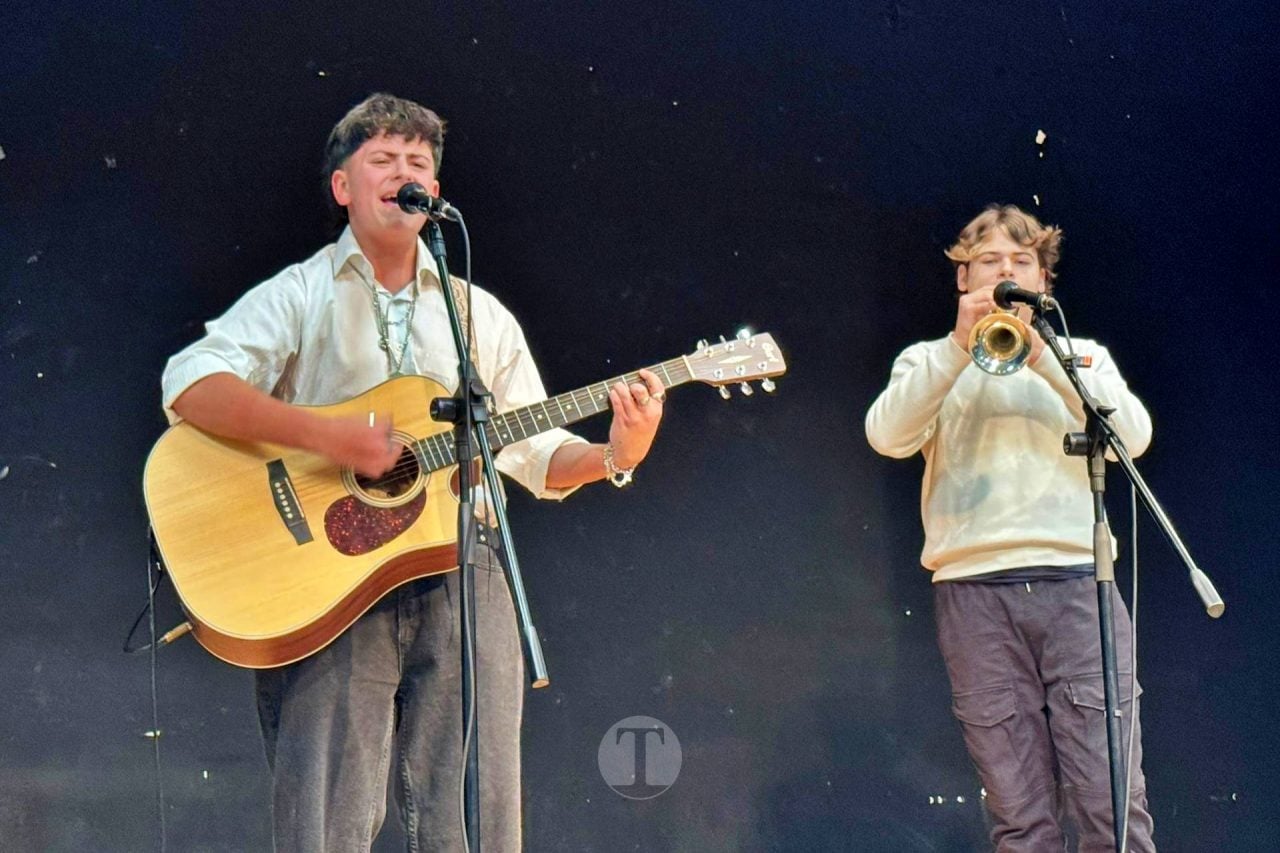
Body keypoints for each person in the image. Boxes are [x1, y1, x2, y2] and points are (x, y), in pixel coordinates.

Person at [160, 93, 665, 852]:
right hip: (331, 580)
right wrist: (328, 435)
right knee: (324, 821)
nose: (405, 175)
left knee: (479, 816)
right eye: (384, 160)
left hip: (462, 569)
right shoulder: (302, 294)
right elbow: (189, 382)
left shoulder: (476, 315)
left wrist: (616, 453)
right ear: (343, 186)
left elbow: (533, 454)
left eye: (419, 164)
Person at [865, 204, 1156, 851]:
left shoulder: (1082, 356)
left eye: (1021, 261)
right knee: (1020, 814)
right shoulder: (927, 360)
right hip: (974, 594)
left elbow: (1132, 437)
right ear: (963, 280)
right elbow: (886, 435)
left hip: (1078, 584)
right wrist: (955, 350)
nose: (1005, 271)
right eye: (988, 261)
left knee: (1112, 799)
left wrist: (1046, 360)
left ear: (1043, 282)